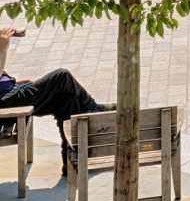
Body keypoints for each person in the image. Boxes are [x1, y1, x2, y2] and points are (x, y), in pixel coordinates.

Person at [0, 24, 110, 175]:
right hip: (8, 104)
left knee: (65, 100)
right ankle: (94, 109)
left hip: (12, 95)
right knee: (62, 76)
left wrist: (19, 81)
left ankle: (70, 161)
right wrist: (3, 47)